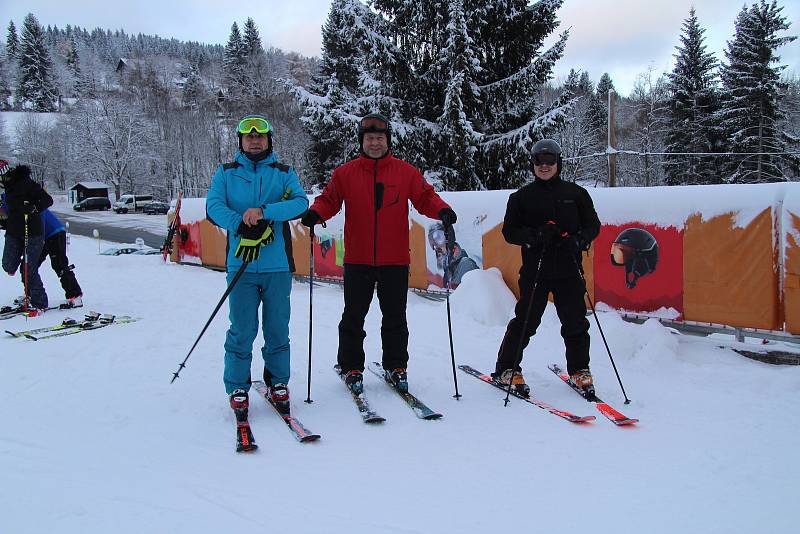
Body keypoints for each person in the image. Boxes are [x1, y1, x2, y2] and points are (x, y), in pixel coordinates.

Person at [300, 112, 457, 394]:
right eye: (370, 138)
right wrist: (315, 213)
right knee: (353, 316)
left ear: (388, 141)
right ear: (362, 141)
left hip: (395, 259)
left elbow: (425, 197)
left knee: (395, 317)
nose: (375, 143)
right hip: (358, 259)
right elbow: (329, 200)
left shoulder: (405, 172)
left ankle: (396, 366)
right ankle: (351, 367)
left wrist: (442, 209)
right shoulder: (345, 173)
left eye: (380, 138)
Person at [206, 115, 309, 417]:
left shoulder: (283, 173)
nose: (254, 140)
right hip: (241, 267)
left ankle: (278, 381)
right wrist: (240, 224)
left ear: (268, 140)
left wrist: (264, 212)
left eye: (260, 136)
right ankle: (238, 385)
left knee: (277, 328)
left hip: (277, 266)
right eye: (248, 137)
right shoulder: (226, 173)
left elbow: (301, 203)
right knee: (242, 329)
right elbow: (214, 206)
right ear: (240, 140)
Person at [493, 139, 600, 397]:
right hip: (536, 269)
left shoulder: (576, 194)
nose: (544, 166)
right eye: (539, 161)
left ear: (558, 163)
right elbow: (509, 231)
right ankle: (506, 369)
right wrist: (535, 236)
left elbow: (593, 225)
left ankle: (579, 370)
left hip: (569, 268)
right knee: (526, 321)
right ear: (532, 164)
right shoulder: (521, 197)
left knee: (575, 322)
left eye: (549, 161)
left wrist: (578, 239)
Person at [0, 194, 83, 309]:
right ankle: (31, 295)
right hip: (38, 237)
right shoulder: (10, 204)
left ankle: (75, 296)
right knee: (27, 267)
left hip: (54, 232)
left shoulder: (17, 201)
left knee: (59, 265)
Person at [0, 162, 53, 315]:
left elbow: (47, 200)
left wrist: (33, 207)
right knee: (7, 265)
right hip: (13, 231)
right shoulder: (8, 188)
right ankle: (20, 270)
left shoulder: (27, 183)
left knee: (28, 268)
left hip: (33, 232)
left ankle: (39, 302)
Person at [427, 221, 478, 287]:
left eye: (439, 237)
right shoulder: (448, 273)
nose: (436, 246)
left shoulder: (466, 265)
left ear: (449, 238)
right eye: (432, 240)